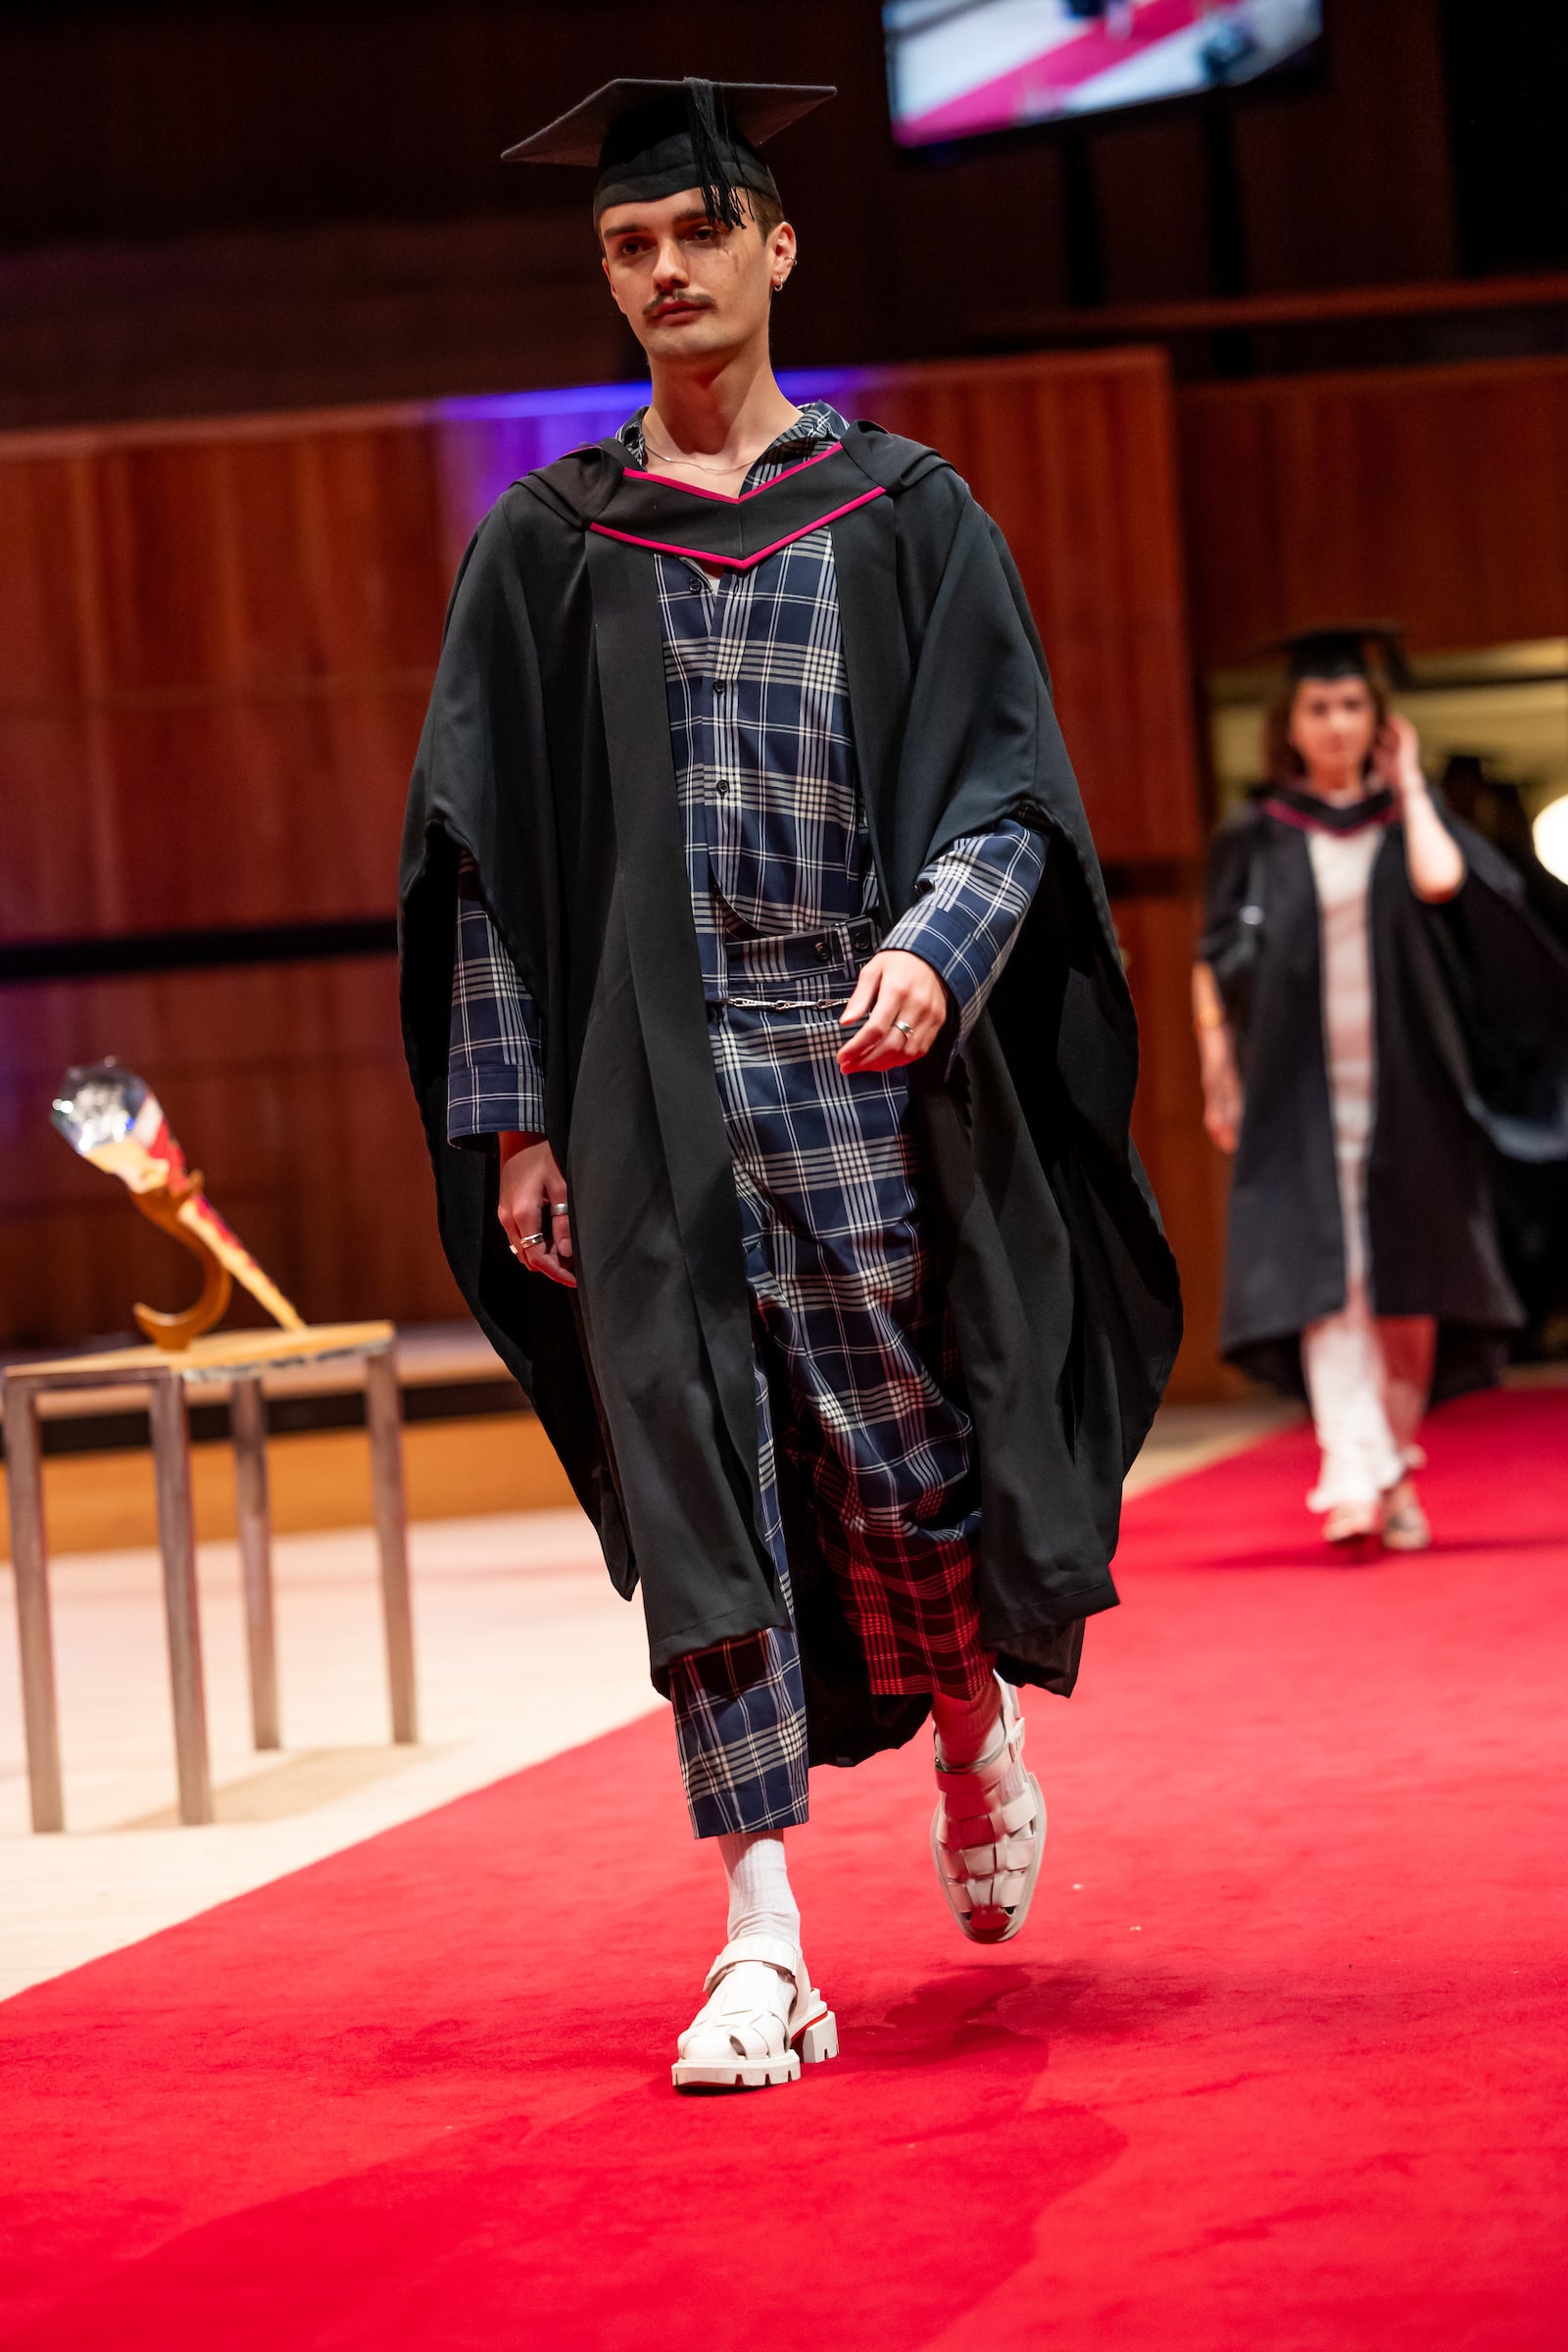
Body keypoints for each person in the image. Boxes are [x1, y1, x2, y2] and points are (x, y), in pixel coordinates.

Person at [401, 76, 1180, 2090]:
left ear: (773, 248)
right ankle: (761, 1934)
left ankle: (965, 1721)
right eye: (625, 248)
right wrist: (506, 1122)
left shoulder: (902, 517)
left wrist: (938, 944)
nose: (660, 274)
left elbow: (1015, 801)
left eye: (692, 237)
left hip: (857, 1058)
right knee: (697, 1479)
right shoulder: (549, 547)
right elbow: (480, 859)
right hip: (641, 1078)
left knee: (901, 1465)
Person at [1195, 630, 1568, 1549]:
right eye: (1319, 708)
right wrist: (1218, 1066)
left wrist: (1409, 785)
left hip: (1410, 1081)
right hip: (1299, 1088)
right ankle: (1351, 1472)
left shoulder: (1404, 819)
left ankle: (1389, 1464)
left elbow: (1446, 885)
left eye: (1352, 706)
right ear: (1292, 721)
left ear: (1378, 720)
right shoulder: (1261, 828)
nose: (1335, 724)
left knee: (1405, 1280)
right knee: (1334, 1275)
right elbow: (1213, 960)